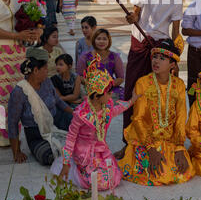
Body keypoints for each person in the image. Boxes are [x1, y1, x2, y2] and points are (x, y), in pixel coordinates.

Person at [115, 0, 183, 160]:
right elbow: (136, 12)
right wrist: (132, 17)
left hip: (161, 49)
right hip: (140, 45)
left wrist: (176, 59)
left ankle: (154, 141)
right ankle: (128, 143)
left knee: (157, 96)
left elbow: (176, 31)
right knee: (131, 93)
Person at [52, 55, 140, 191]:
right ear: (98, 95)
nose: (111, 96)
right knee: (98, 182)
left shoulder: (106, 106)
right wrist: (65, 163)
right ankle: (76, 171)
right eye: (109, 93)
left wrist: (132, 101)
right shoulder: (81, 114)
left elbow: (116, 110)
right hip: (84, 153)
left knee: (113, 178)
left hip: (100, 149)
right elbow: (70, 138)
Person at [118, 39, 195, 186]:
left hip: (169, 139)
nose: (156, 61)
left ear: (172, 64)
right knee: (154, 172)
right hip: (145, 139)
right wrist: (150, 148)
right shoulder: (143, 83)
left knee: (180, 170)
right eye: (154, 57)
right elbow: (138, 118)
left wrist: (179, 147)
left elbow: (180, 117)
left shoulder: (178, 85)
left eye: (162, 58)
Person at [7, 47, 73, 165]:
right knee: (50, 155)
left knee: (82, 130)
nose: (48, 71)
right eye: (45, 68)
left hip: (56, 121)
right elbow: (12, 123)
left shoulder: (47, 82)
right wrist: (16, 152)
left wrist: (74, 113)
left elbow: (58, 102)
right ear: (36, 70)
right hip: (36, 134)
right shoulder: (19, 92)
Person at [0, 0, 37, 146]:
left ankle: (14, 134)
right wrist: (17, 36)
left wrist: (37, 28)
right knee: (1, 98)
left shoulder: (18, 0)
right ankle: (1, 137)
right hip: (1, 51)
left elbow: (34, 18)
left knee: (16, 94)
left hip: (18, 53)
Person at [77, 28, 124, 100]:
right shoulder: (85, 57)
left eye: (104, 39)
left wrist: (108, 85)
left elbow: (120, 78)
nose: (101, 41)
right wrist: (94, 85)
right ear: (94, 40)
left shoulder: (115, 57)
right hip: (91, 89)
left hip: (110, 89)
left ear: (109, 41)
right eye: (98, 39)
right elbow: (80, 76)